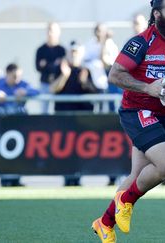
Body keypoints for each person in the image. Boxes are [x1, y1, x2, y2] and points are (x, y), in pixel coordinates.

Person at [91, 0, 165, 242]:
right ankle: (125, 201)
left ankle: (104, 223)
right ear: (157, 14)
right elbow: (114, 75)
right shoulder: (141, 42)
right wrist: (149, 88)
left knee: (137, 174)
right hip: (136, 110)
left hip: (162, 115)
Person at [0, 63, 39, 186]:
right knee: (4, 152)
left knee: (19, 152)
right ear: (7, 74)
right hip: (3, 127)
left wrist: (25, 92)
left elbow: (37, 91)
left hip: (19, 126)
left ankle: (16, 179)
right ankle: (5, 179)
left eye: (19, 76)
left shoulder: (22, 84)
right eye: (14, 76)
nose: (17, 79)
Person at [51, 41, 98, 186]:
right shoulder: (60, 69)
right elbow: (53, 89)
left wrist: (84, 82)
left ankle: (77, 177)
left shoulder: (85, 71)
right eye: (72, 52)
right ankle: (67, 177)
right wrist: (64, 76)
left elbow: (95, 92)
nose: (74, 55)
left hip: (81, 118)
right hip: (64, 117)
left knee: (79, 149)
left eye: (76, 52)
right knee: (64, 148)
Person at [35, 22, 66, 114]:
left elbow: (62, 68)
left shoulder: (62, 50)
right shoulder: (41, 50)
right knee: (44, 111)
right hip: (45, 84)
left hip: (58, 84)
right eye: (48, 30)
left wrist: (46, 65)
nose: (50, 33)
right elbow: (38, 67)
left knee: (59, 109)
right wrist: (54, 64)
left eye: (52, 30)